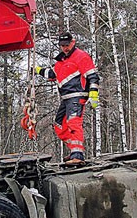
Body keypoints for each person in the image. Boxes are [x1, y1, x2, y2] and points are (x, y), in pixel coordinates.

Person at [34, 31, 99, 164]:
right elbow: (52, 74)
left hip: (77, 95)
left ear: (73, 43)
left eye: (67, 45)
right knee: (59, 125)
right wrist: (37, 69)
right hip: (66, 98)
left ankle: (78, 154)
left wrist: (93, 93)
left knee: (73, 122)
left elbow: (93, 76)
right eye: (63, 45)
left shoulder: (81, 56)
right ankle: (74, 150)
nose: (65, 48)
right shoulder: (60, 62)